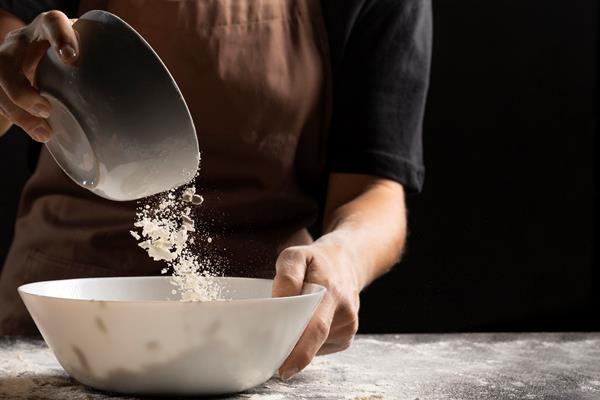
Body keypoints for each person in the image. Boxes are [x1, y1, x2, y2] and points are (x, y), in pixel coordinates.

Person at [0, 0, 431, 380]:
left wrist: (345, 257)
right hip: (57, 326)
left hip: (259, 328)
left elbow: (374, 188)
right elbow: (11, 80)